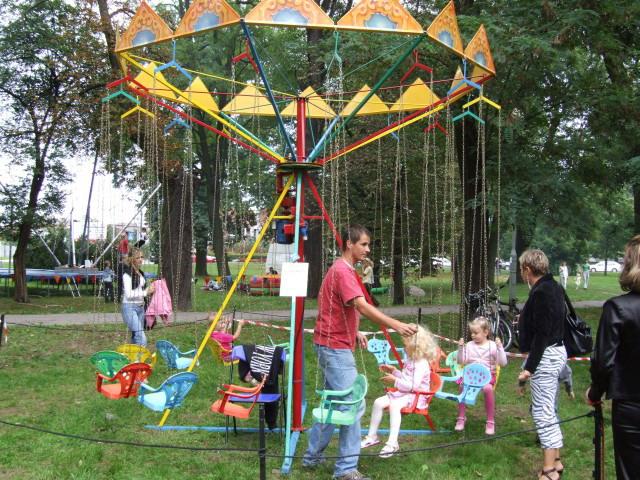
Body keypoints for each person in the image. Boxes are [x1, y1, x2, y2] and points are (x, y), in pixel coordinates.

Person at [303, 224, 417, 480]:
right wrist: (397, 325)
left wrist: (354, 331)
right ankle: (345, 470)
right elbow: (360, 306)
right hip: (334, 348)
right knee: (353, 407)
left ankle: (312, 458)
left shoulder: (343, 270)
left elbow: (334, 307)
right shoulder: (343, 271)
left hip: (330, 342)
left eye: (368, 244)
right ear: (349, 244)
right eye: (363, 244)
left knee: (333, 404)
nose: (367, 249)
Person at [587, 235, 640, 479]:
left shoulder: (618, 308)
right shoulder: (618, 308)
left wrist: (595, 392)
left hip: (631, 405)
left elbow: (602, 363)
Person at [517, 249, 567, 480]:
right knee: (548, 408)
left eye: (521, 269)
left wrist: (530, 367)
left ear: (528, 269)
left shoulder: (542, 292)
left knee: (542, 412)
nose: (521, 274)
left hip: (546, 355)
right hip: (554, 353)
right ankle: (555, 461)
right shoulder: (553, 286)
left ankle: (549, 471)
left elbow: (542, 334)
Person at [360, 324, 438, 458]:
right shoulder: (411, 360)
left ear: (415, 345)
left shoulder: (421, 364)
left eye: (405, 344)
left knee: (394, 406)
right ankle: (372, 436)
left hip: (416, 396)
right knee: (378, 402)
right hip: (405, 393)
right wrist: (394, 371)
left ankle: (392, 443)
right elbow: (406, 378)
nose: (403, 347)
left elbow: (413, 386)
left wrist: (394, 381)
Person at [454, 316, 508, 435]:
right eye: (471, 333)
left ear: (486, 332)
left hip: (487, 377)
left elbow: (503, 363)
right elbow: (460, 361)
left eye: (476, 333)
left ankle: (490, 421)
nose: (472, 335)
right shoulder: (469, 345)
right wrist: (460, 348)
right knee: (462, 386)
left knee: (488, 389)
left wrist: (500, 348)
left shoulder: (492, 346)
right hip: (471, 376)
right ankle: (461, 417)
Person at [120, 247, 154, 346]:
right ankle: (139, 361)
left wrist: (150, 289)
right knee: (141, 339)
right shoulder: (127, 274)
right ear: (131, 259)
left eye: (142, 257)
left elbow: (141, 290)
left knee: (135, 337)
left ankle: (133, 360)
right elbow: (129, 294)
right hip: (129, 308)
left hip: (140, 308)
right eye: (138, 257)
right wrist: (145, 293)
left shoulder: (140, 273)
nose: (140, 259)